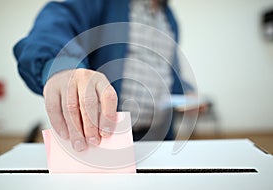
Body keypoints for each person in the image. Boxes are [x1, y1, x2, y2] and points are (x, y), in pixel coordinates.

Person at [13, 0, 192, 152]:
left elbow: (163, 70)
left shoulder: (169, 19)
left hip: (159, 140)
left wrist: (186, 93)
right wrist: (63, 66)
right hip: (106, 142)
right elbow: (55, 25)